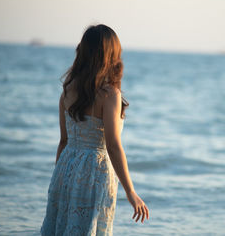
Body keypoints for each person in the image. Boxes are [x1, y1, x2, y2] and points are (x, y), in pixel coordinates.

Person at [40, 24, 149, 235]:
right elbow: (113, 146)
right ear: (111, 55)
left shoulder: (67, 90)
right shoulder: (110, 95)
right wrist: (131, 192)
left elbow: (64, 141)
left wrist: (58, 178)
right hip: (94, 173)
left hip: (65, 169)